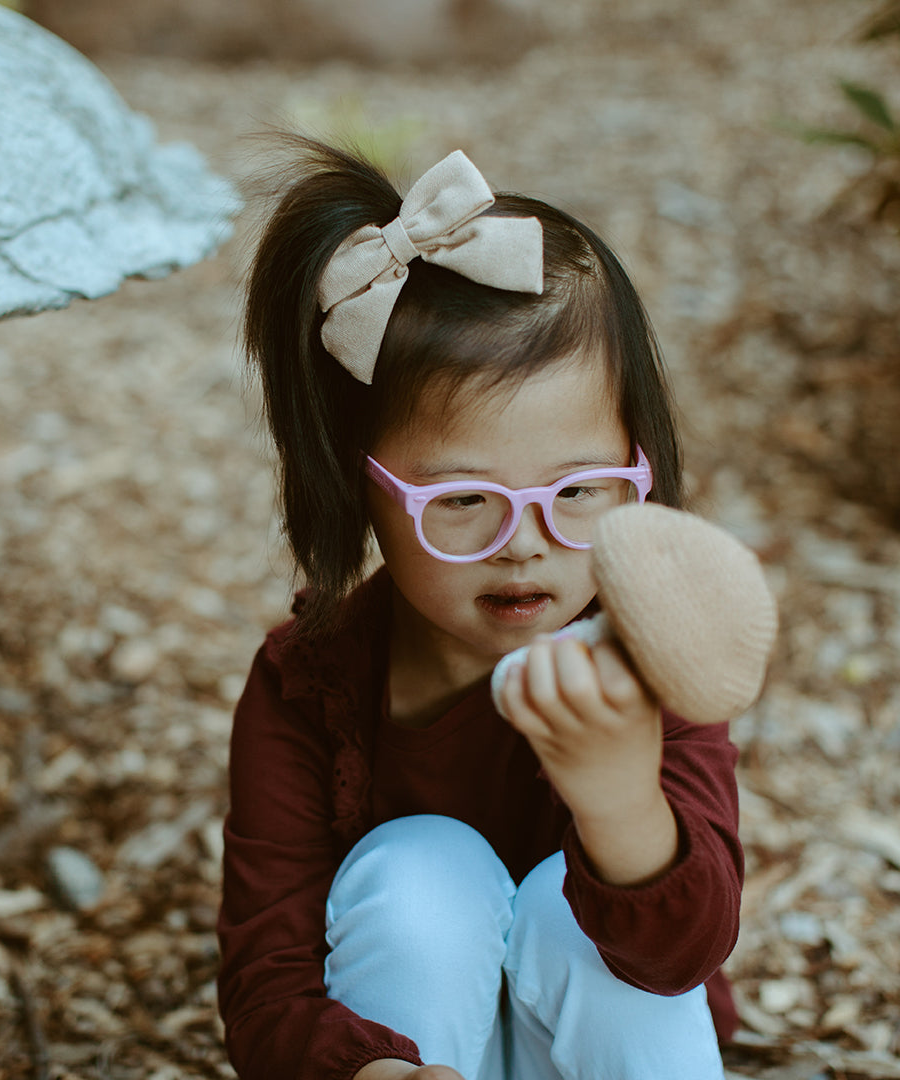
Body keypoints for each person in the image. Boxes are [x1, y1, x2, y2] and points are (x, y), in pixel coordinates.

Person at [217, 138, 742, 1080]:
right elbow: (268, 985)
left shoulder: (657, 650)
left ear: (640, 471)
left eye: (580, 491)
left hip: (605, 1041)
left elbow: (687, 956)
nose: (525, 542)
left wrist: (622, 800)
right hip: (414, 1049)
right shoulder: (309, 686)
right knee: (419, 866)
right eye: (461, 500)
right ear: (359, 488)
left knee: (564, 904)